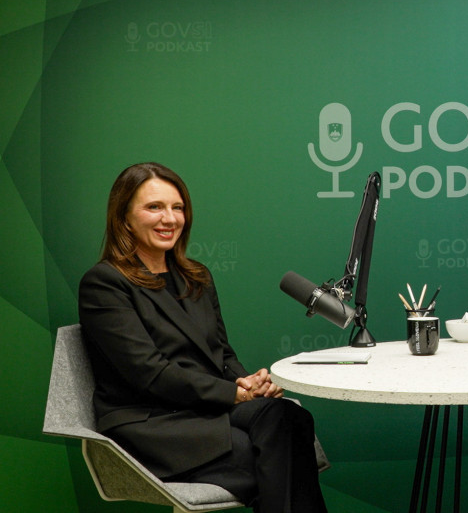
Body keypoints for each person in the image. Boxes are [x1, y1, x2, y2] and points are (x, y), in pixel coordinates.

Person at [79, 162, 329, 513]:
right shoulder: (105, 283)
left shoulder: (197, 276)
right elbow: (148, 373)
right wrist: (235, 394)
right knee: (281, 456)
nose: (169, 219)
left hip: (207, 410)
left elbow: (221, 353)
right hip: (155, 424)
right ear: (124, 218)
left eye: (177, 208)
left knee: (289, 418)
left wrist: (246, 382)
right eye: (154, 207)